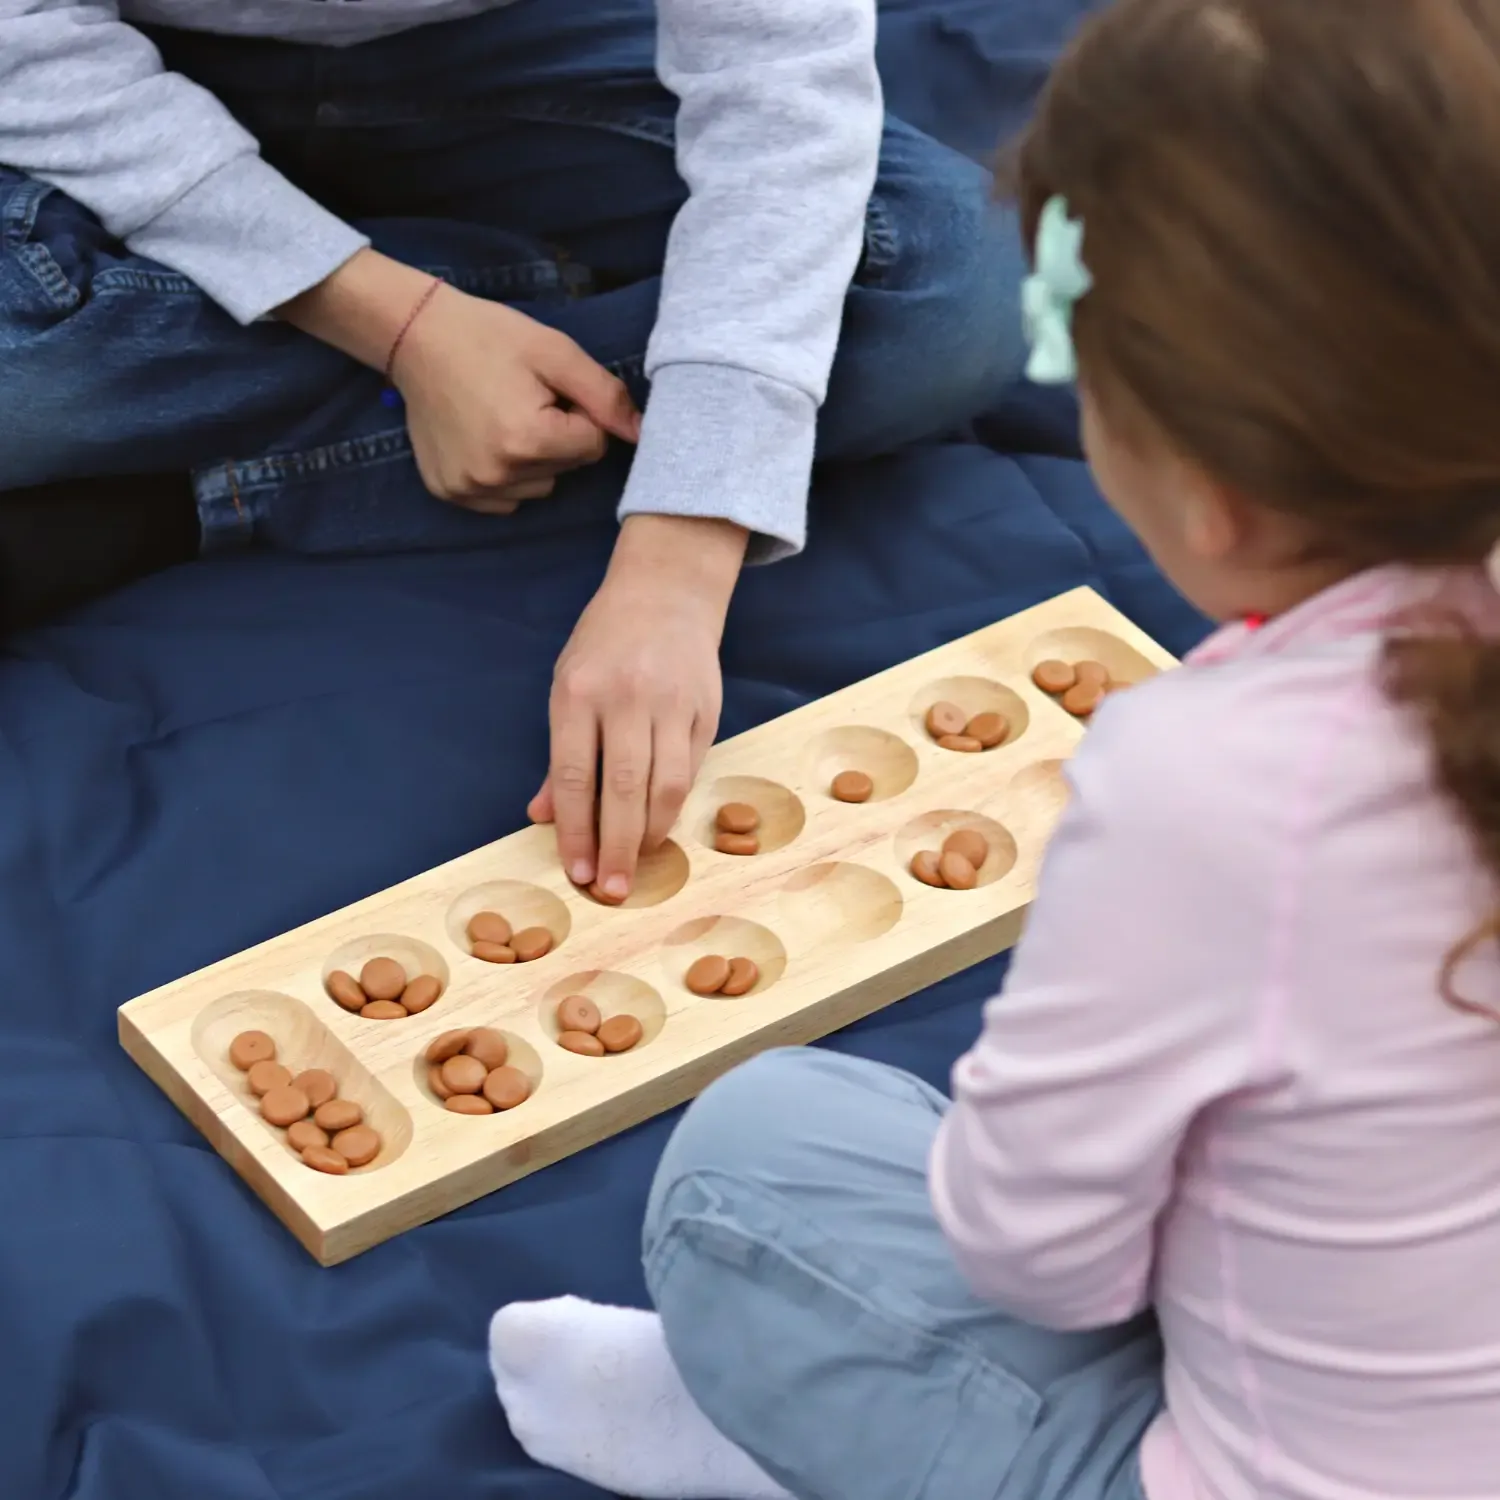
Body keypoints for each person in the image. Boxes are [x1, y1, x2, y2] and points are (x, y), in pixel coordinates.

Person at [486, 2, 1500, 1497]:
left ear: (1204, 493)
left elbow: (1044, 1265)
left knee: (748, 1161)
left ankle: (782, 1436)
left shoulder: (1200, 784)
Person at [0, 0, 1024, 900]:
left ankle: (164, 499)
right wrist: (406, 328)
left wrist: (679, 558)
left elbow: (784, 95)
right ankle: (566, 312)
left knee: (956, 288)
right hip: (96, 73)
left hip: (512, 55)